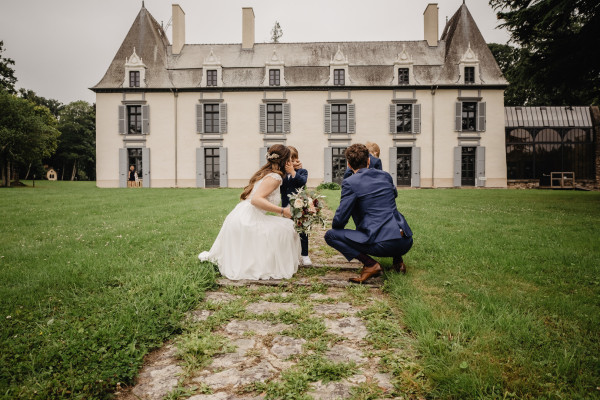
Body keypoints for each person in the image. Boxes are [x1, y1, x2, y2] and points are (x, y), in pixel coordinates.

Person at [199, 144, 301, 280]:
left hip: (241, 214)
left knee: (283, 227)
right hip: (247, 219)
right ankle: (271, 265)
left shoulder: (267, 173)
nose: (291, 162)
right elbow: (256, 200)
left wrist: (296, 170)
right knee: (288, 227)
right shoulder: (275, 177)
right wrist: (282, 211)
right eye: (289, 159)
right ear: (284, 160)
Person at [325, 144, 413, 284]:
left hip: (383, 244)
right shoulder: (385, 176)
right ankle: (398, 263)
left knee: (330, 235)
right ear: (368, 161)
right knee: (388, 217)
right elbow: (393, 194)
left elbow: (340, 220)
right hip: (406, 241)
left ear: (348, 164)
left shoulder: (350, 182)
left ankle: (371, 264)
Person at [280, 146, 312, 266]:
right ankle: (290, 254)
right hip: (286, 207)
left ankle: (305, 255)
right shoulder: (282, 174)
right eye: (288, 161)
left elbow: (302, 182)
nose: (291, 164)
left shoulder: (302, 172)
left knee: (303, 231)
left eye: (293, 161)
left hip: (300, 206)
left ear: (297, 160)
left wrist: (293, 172)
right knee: (288, 231)